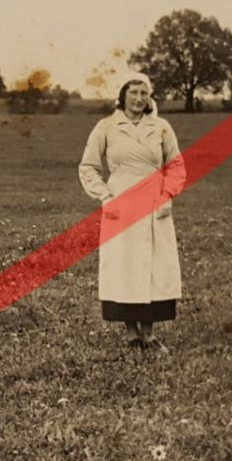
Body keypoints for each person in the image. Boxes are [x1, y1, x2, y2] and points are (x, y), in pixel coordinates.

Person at [78, 74, 186, 350]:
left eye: (144, 93)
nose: (139, 98)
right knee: (123, 266)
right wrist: (105, 196)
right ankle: (131, 335)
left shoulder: (161, 127)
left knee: (152, 266)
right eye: (134, 92)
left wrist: (166, 195)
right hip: (121, 204)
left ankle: (149, 334)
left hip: (154, 203)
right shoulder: (107, 127)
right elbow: (88, 166)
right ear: (123, 95)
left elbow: (175, 166)